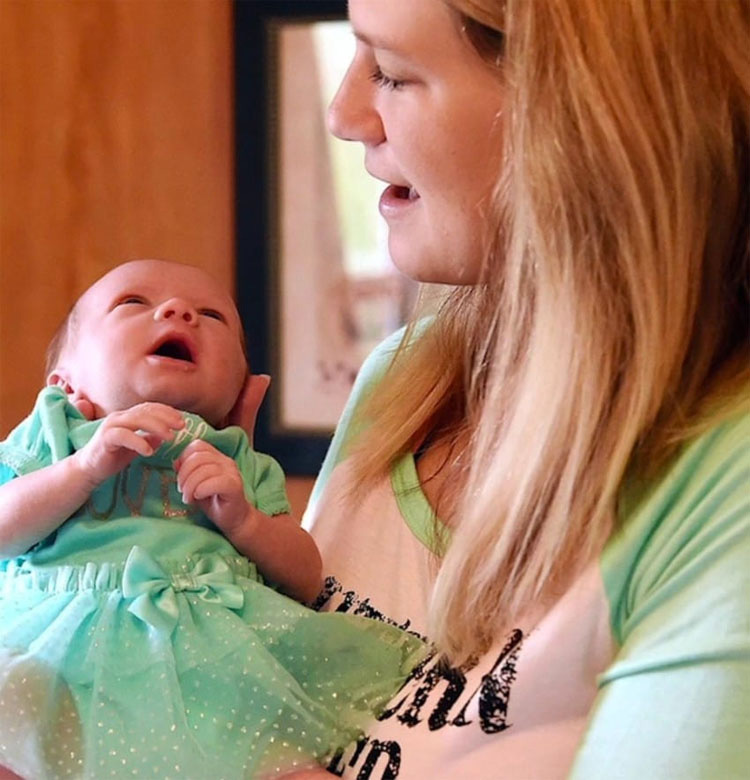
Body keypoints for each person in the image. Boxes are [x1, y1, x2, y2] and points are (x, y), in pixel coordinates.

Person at [292, 0, 750, 777]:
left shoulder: (725, 490)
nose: (344, 114)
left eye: (393, 73)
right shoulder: (402, 380)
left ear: (577, 114)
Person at [0, 259, 426, 780]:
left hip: (213, 669)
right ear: (65, 384)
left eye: (213, 316)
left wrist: (246, 522)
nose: (178, 312)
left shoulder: (235, 460)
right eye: (133, 303)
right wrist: (81, 469)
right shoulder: (55, 435)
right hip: (58, 655)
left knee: (285, 763)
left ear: (237, 389)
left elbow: (305, 577)